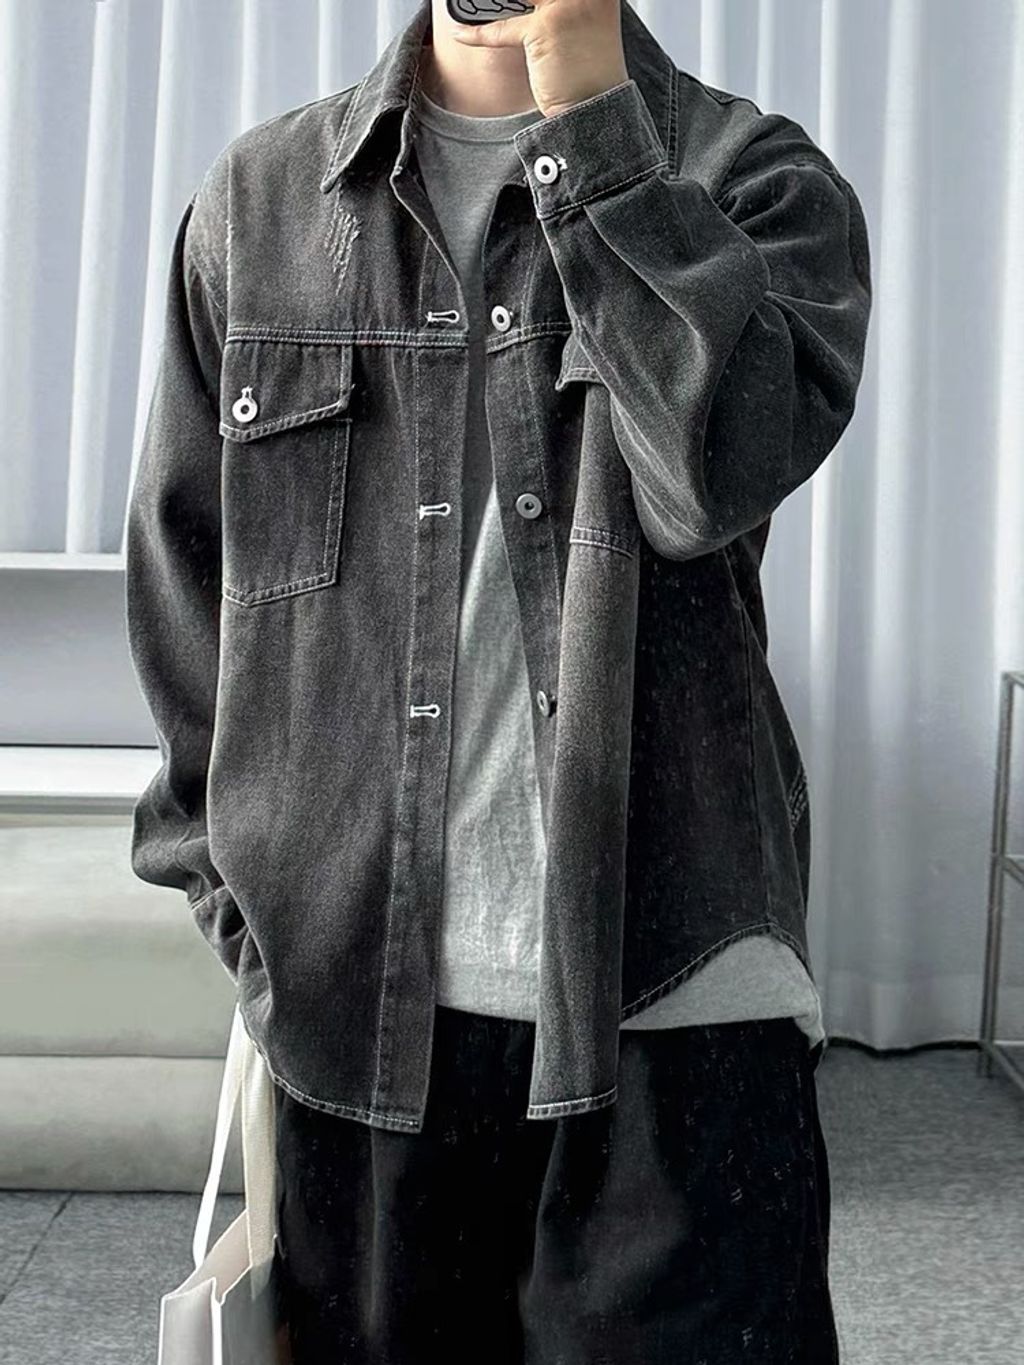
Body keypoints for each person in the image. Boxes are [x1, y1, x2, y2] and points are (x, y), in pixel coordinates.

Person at [126, 0, 872, 1359]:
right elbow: (189, 592)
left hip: (679, 998)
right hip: (359, 1019)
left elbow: (706, 477)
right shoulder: (262, 203)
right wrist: (243, 902)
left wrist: (594, 131)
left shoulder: (752, 179)